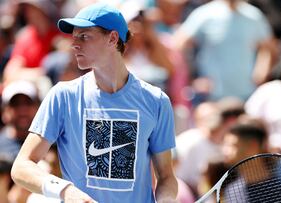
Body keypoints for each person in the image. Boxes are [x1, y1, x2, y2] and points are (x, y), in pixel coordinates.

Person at [10, 3, 178, 203]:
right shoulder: (62, 96)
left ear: (113, 38)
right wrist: (65, 191)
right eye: (74, 37)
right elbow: (21, 166)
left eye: (85, 36)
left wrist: (167, 200)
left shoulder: (156, 101)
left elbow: (166, 177)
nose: (75, 44)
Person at [174, 0, 276, 101]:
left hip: (247, 93)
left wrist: (262, 70)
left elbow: (269, 47)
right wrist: (192, 78)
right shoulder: (205, 14)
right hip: (212, 96)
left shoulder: (253, 15)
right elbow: (179, 44)